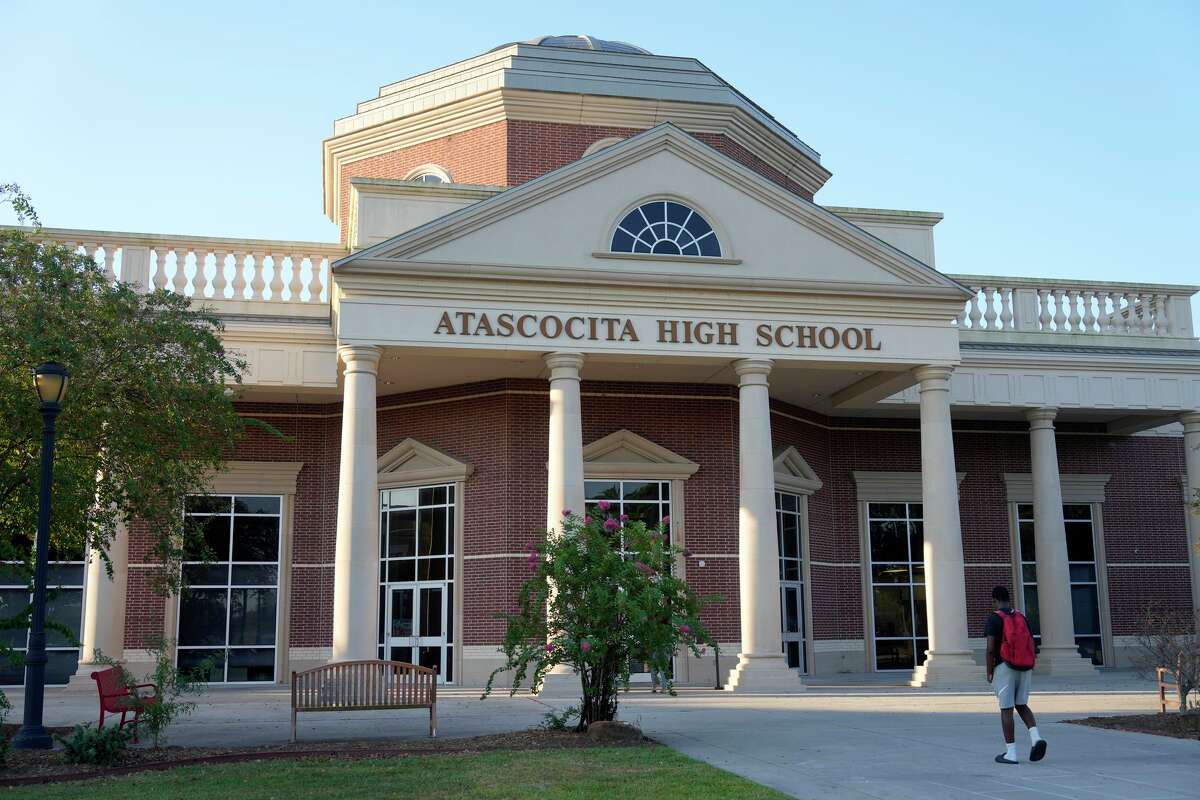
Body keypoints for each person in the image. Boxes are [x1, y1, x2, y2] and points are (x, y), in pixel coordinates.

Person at [985, 585, 1046, 765]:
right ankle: (1036, 737)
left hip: (1005, 667)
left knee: (1006, 709)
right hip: (1025, 666)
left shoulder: (994, 619)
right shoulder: (1021, 616)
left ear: (994, 600)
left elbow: (990, 649)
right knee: (1022, 704)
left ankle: (1010, 753)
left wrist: (989, 671)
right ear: (1008, 599)